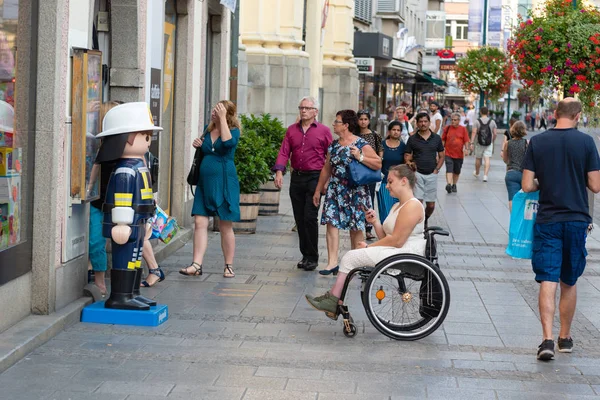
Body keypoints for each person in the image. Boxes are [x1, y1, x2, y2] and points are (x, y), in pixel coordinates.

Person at [521, 98, 600, 361]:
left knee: (548, 278)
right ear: (578, 116)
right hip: (577, 219)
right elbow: (596, 185)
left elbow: (527, 185)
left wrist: (546, 179)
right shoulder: (587, 143)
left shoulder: (538, 142)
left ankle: (547, 339)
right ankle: (565, 337)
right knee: (569, 280)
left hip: (548, 220)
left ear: (555, 114)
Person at [305, 165, 425, 317]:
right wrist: (375, 222)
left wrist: (369, 246)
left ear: (404, 181)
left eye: (390, 182)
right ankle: (334, 298)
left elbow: (397, 240)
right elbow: (387, 238)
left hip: (405, 253)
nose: (387, 186)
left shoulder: (412, 206)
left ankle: (333, 299)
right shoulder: (397, 205)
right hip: (397, 250)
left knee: (351, 257)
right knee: (352, 256)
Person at [313, 110, 381, 275]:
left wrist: (360, 157)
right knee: (331, 223)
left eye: (337, 122)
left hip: (355, 191)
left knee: (356, 227)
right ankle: (332, 263)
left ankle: (356, 264)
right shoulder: (334, 145)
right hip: (335, 190)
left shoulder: (360, 143)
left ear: (346, 125)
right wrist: (318, 190)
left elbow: (378, 163)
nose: (333, 124)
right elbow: (326, 168)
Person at [181, 100, 241, 278]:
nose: (213, 113)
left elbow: (228, 143)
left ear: (227, 114)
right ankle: (196, 264)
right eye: (214, 110)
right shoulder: (208, 129)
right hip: (204, 183)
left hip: (224, 183)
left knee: (225, 225)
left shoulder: (234, 131)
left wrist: (222, 120)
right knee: (200, 222)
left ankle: (228, 265)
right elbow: (207, 149)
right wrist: (198, 144)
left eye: (218, 111)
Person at [273, 97, 332, 271]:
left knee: (310, 217)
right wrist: (279, 172)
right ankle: (305, 255)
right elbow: (284, 152)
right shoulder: (292, 130)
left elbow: (330, 157)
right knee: (299, 219)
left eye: (307, 108)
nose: (303, 111)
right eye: (301, 107)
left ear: (316, 112)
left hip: (315, 178)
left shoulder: (324, 131)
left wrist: (327, 180)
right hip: (297, 178)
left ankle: (312, 257)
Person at [405, 113, 445, 226]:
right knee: (418, 202)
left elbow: (442, 156)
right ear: (417, 123)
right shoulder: (412, 139)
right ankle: (419, 223)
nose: (423, 124)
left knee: (431, 205)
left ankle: (425, 218)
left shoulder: (436, 138)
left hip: (432, 173)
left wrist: (437, 169)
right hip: (417, 174)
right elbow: (407, 155)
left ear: (429, 122)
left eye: (425, 121)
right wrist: (410, 163)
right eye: (420, 122)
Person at [357, 110, 382, 241]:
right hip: (356, 172)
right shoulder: (354, 135)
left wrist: (377, 162)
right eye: (360, 119)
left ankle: (368, 228)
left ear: (369, 120)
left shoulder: (374, 135)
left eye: (365, 119)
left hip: (370, 171)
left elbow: (380, 150)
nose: (363, 121)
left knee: (369, 199)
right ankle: (357, 226)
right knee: (357, 198)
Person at [377, 121, 405, 223]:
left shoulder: (403, 146)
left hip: (398, 183)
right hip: (384, 182)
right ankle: (385, 234)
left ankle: (394, 235)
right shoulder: (382, 145)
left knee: (397, 211)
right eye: (394, 130)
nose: (396, 132)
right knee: (385, 211)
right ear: (389, 131)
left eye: (398, 130)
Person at [502, 121, 528, 212]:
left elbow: (505, 159)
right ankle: (520, 217)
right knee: (523, 198)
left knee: (512, 198)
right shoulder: (526, 143)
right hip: (523, 174)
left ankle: (513, 217)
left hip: (511, 173)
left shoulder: (508, 143)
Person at [441, 113, 470, 194]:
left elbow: (466, 140)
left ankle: (454, 184)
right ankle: (449, 184)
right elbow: (443, 139)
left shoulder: (463, 129)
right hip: (448, 153)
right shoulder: (447, 128)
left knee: (457, 171)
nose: (453, 121)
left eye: (455, 120)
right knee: (449, 168)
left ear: (459, 121)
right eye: (452, 120)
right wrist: (441, 149)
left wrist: (467, 149)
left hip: (459, 154)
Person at [471, 107, 497, 182]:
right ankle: (485, 176)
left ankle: (477, 172)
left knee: (478, 158)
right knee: (487, 158)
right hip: (489, 143)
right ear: (488, 112)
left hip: (479, 142)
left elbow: (474, 132)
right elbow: (495, 133)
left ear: (480, 112)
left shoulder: (477, 121)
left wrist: (472, 142)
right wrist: (492, 140)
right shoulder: (492, 122)